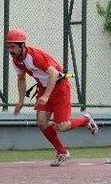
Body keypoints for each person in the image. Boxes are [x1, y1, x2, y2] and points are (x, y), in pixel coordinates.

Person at [6, 28, 98, 166]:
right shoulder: (16, 60)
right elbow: (21, 79)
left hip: (60, 87)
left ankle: (85, 120)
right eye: (8, 46)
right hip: (44, 88)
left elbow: (53, 74)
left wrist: (46, 96)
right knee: (42, 122)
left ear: (22, 45)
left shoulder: (34, 56)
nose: (10, 50)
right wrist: (20, 101)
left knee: (63, 126)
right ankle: (62, 152)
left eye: (12, 46)